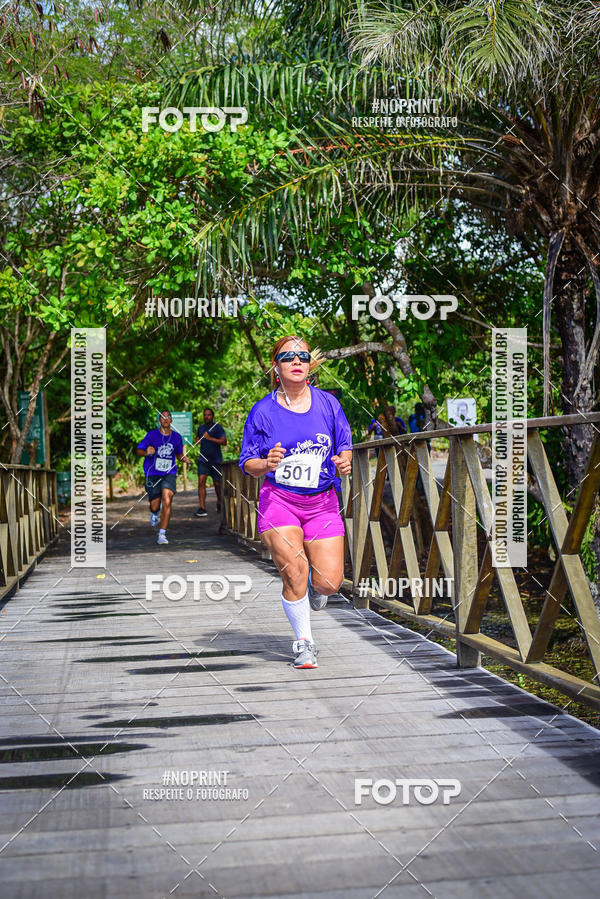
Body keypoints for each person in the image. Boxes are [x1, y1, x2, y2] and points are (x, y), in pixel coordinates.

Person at [239, 335, 353, 669]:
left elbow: (344, 445)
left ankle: (317, 589)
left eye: (302, 355)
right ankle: (304, 643)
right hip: (280, 501)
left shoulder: (328, 404)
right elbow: (247, 463)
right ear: (276, 367)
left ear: (310, 364)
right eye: (288, 356)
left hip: (322, 502)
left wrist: (344, 461)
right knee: (294, 572)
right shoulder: (262, 411)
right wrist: (267, 463)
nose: (296, 361)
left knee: (329, 582)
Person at [136, 410, 190, 545]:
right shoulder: (151, 435)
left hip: (169, 472)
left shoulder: (177, 437)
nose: (165, 419)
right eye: (163, 417)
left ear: (171, 420)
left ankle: (162, 534)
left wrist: (183, 458)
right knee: (154, 505)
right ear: (159, 420)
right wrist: (146, 452)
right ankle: (155, 513)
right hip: (153, 473)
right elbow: (139, 450)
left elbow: (178, 454)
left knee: (167, 498)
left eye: (168, 417)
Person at [194, 407, 227, 517]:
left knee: (217, 484)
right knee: (201, 481)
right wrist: (197, 441)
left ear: (212, 416)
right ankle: (202, 508)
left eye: (209, 415)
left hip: (215, 460)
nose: (206, 417)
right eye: (205, 415)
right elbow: (198, 438)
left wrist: (209, 438)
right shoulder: (201, 428)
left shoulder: (218, 427)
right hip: (203, 459)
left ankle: (219, 502)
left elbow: (224, 442)